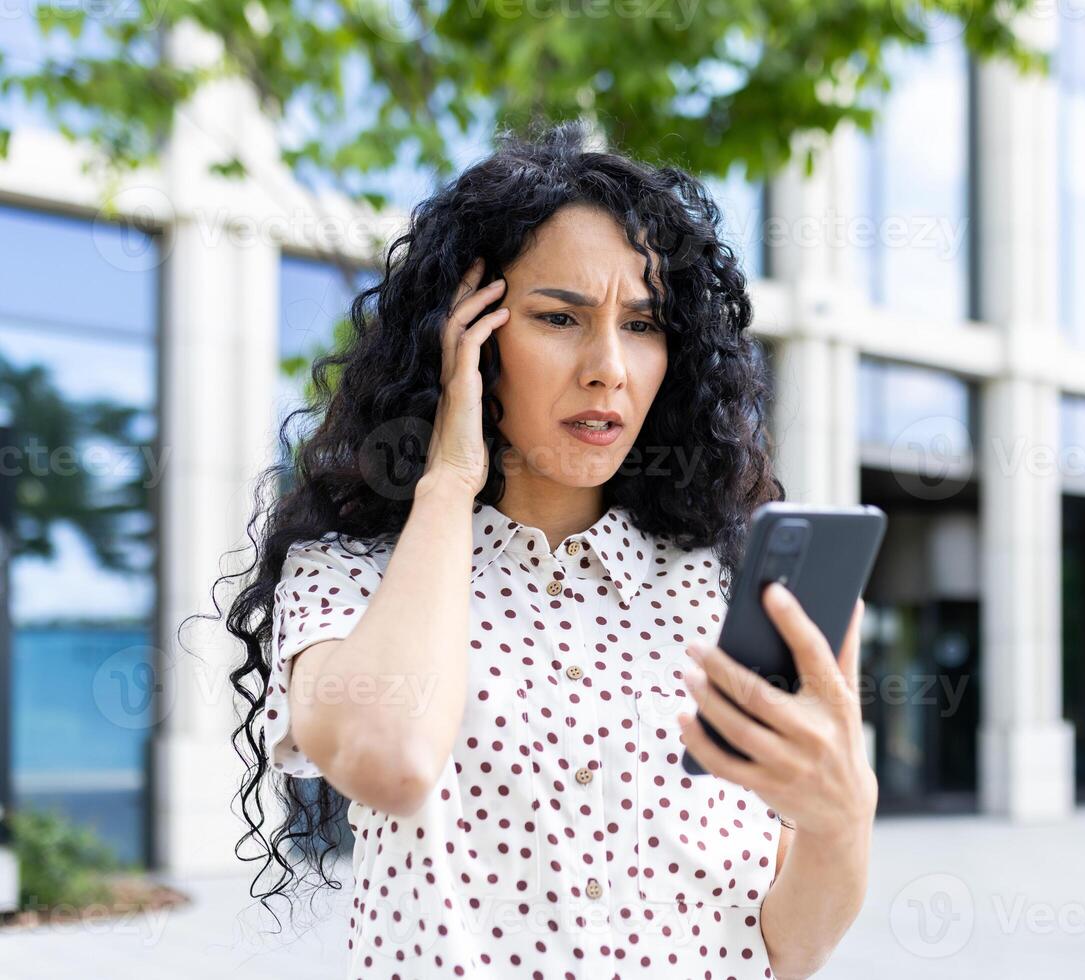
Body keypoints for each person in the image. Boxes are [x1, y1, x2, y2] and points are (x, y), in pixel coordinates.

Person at [224, 119, 877, 979]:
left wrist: (841, 818)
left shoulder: (727, 588)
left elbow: (790, 949)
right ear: (468, 339)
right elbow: (388, 758)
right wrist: (450, 480)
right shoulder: (352, 575)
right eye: (560, 317)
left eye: (642, 326)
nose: (609, 366)